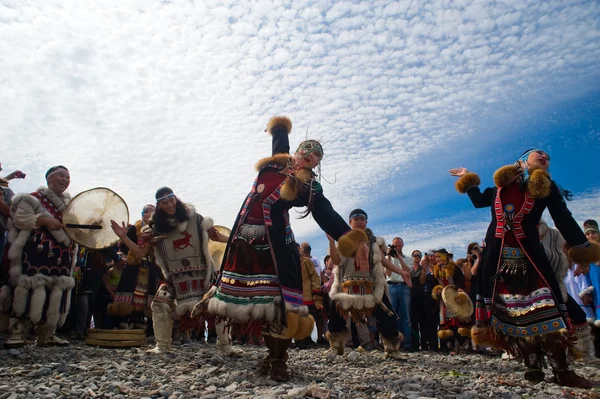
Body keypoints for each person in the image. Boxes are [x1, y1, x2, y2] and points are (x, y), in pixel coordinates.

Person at [197, 116, 368, 381]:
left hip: (276, 244)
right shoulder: (278, 162)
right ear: (297, 151)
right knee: (234, 291)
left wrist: (349, 237)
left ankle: (278, 358)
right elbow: (280, 141)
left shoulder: (310, 186)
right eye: (306, 151)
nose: (308, 157)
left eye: (314, 158)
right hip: (244, 238)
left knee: (280, 304)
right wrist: (277, 127)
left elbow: (325, 213)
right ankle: (214, 310)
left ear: (317, 165)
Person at [451, 148, 600, 387]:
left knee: (547, 310)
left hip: (532, 262)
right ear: (521, 160)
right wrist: (467, 178)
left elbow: (564, 219)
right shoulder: (500, 188)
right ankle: (532, 364)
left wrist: (583, 250)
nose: (546, 157)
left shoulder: (547, 189)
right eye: (539, 153)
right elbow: (479, 201)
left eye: (549, 157)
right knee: (515, 315)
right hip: (499, 264)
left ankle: (562, 370)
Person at [111, 187, 236, 355]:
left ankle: (226, 346)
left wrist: (235, 240)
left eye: (171, 200)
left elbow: (215, 236)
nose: (169, 204)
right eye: (164, 202)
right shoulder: (155, 229)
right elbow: (140, 253)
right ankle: (162, 346)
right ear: (159, 205)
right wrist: (123, 237)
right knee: (160, 303)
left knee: (220, 304)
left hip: (203, 274)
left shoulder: (195, 219)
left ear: (175, 199)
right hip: (175, 278)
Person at [4, 166, 76, 347]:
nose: (65, 179)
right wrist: (44, 220)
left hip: (62, 255)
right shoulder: (33, 199)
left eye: (68, 176)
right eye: (61, 175)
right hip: (35, 252)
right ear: (49, 178)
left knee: (56, 291)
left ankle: (47, 333)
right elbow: (20, 219)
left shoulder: (72, 206)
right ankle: (17, 332)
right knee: (27, 288)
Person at [327, 208, 411, 359]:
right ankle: (336, 347)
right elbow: (335, 262)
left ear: (366, 222)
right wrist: (331, 242)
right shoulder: (343, 240)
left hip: (370, 286)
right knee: (335, 316)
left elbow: (383, 261)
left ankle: (392, 349)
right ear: (350, 222)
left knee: (387, 316)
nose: (359, 221)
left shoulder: (374, 241)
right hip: (347, 285)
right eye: (356, 219)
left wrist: (401, 272)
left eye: (362, 219)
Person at [386, 236, 413, 350]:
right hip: (391, 286)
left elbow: (407, 272)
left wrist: (399, 258)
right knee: (392, 316)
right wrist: (388, 256)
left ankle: (407, 344)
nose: (397, 247)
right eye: (395, 245)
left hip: (404, 287)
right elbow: (387, 274)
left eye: (399, 245)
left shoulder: (408, 258)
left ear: (402, 245)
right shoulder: (388, 259)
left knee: (406, 317)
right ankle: (393, 344)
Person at [409, 250, 427, 350]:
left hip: (421, 296)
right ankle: (415, 344)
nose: (417, 258)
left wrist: (424, 270)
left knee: (423, 321)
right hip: (411, 296)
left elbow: (422, 281)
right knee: (413, 321)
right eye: (415, 256)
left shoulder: (422, 268)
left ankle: (424, 343)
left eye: (419, 256)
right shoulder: (408, 268)